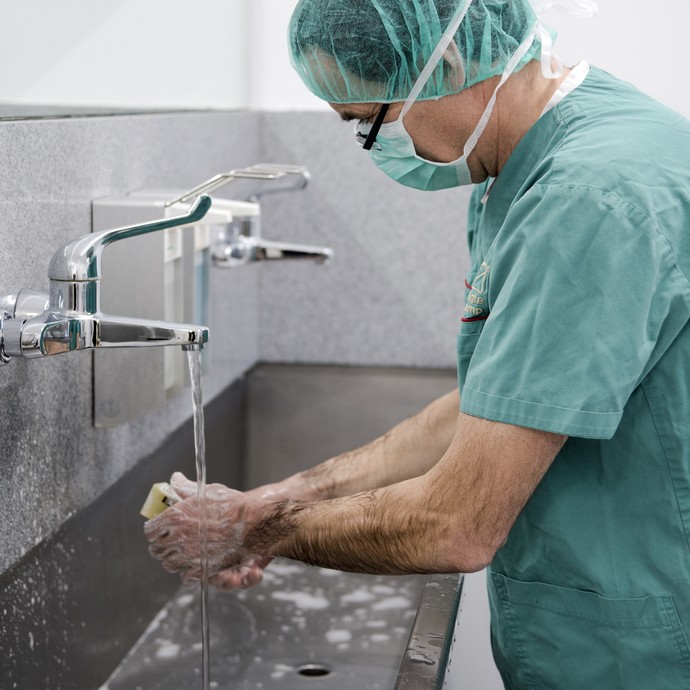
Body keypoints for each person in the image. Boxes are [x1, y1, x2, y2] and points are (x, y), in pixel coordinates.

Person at [145, 0, 690, 687]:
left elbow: (456, 524)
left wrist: (258, 528)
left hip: (645, 649)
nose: (372, 148)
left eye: (366, 122)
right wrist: (284, 496)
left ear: (450, 61)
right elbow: (505, 397)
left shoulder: (584, 200)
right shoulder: (537, 152)